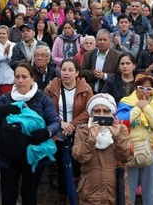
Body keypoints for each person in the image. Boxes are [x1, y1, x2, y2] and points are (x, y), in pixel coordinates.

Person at [0, 62, 61, 205]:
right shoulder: (5, 99)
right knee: (8, 196)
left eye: (24, 77)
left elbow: (55, 122)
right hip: (8, 157)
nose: (20, 80)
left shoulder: (42, 98)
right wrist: (0, 111)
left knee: (29, 195)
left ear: (32, 78)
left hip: (33, 156)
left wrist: (46, 132)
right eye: (17, 77)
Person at [116, 73, 153, 205]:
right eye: (141, 87)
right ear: (135, 87)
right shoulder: (126, 101)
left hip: (152, 153)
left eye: (149, 88)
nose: (145, 91)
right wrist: (137, 108)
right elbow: (121, 122)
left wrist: (146, 107)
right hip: (130, 151)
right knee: (128, 193)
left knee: (150, 195)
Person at [45, 59, 93, 203]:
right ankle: (63, 195)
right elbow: (46, 109)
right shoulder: (51, 87)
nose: (66, 73)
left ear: (77, 72)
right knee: (61, 165)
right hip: (57, 132)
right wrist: (60, 123)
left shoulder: (85, 88)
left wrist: (71, 125)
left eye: (70, 70)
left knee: (78, 165)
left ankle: (77, 194)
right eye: (64, 69)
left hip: (78, 133)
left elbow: (89, 110)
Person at [72, 93, 133, 205]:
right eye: (97, 111)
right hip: (90, 193)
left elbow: (126, 156)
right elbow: (79, 157)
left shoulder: (121, 129)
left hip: (116, 192)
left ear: (112, 113)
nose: (101, 114)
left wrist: (117, 136)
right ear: (91, 113)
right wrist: (91, 138)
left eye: (106, 111)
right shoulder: (82, 130)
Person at [81, 29, 122, 93]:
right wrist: (93, 73)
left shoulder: (118, 56)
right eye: (100, 40)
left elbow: (120, 76)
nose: (102, 42)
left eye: (105, 40)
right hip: (90, 92)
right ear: (96, 42)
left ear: (110, 41)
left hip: (109, 93)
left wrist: (104, 76)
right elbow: (82, 72)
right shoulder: (88, 54)